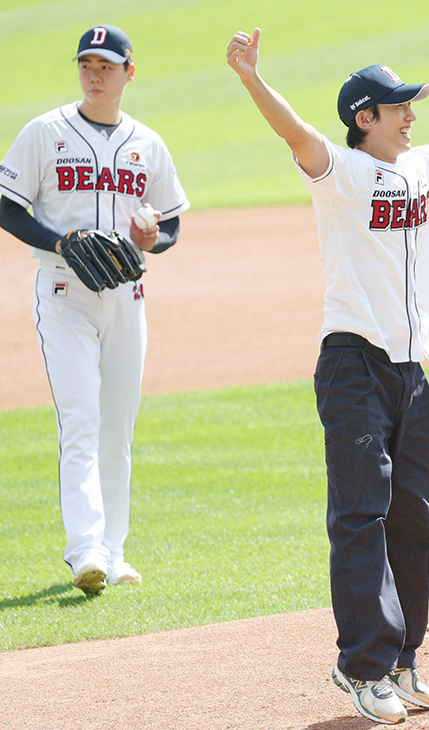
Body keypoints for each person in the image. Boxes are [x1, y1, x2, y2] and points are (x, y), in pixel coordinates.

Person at [226, 17, 429, 724]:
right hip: (352, 366)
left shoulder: (414, 169)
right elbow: (296, 136)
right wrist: (253, 78)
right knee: (360, 516)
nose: (411, 115)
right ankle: (361, 666)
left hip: (410, 375)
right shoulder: (340, 174)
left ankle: (402, 658)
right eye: (398, 105)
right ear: (362, 118)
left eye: (411, 104)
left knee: (410, 518)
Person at [0, 24, 190, 595]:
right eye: (87, 62)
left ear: (130, 72)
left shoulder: (146, 143)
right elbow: (7, 205)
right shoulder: (45, 131)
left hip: (127, 295)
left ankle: (114, 549)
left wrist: (151, 235)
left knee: (118, 427)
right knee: (81, 418)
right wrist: (60, 242)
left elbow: (172, 225)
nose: (95, 73)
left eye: (107, 65)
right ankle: (85, 551)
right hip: (63, 294)